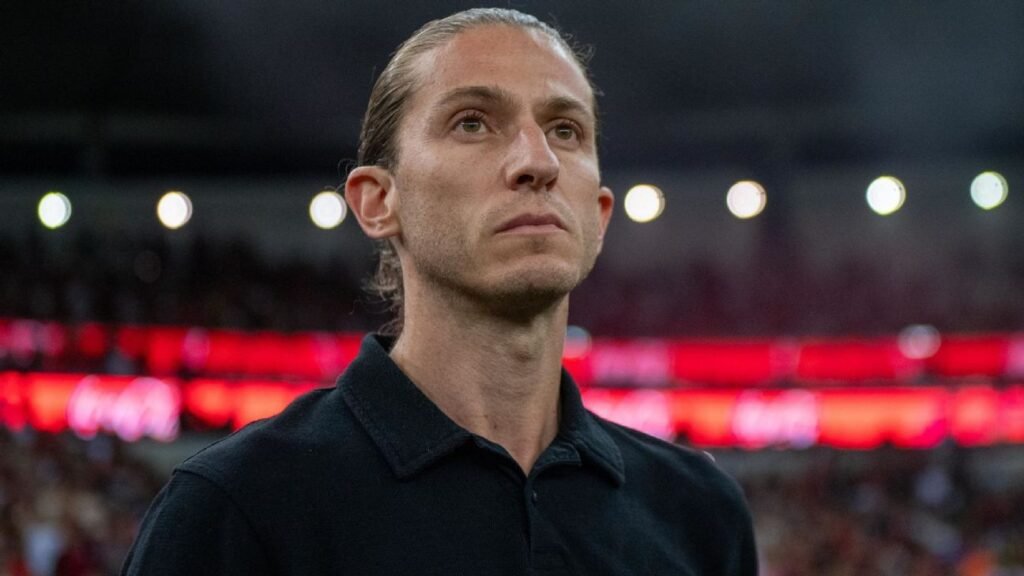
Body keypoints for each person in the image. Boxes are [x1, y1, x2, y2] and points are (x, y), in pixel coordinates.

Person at [121, 8, 757, 575]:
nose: (538, 162)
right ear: (378, 201)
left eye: (565, 129)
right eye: (473, 122)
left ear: (598, 215)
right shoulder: (238, 506)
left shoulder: (700, 514)